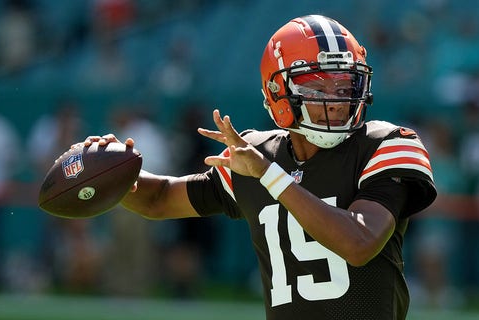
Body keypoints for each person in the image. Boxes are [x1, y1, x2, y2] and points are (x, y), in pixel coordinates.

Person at [77, 15, 436, 319]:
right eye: (319, 88)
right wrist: (107, 169)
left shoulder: (386, 144)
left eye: (345, 85)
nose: (338, 101)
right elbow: (158, 199)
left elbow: (359, 242)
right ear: (278, 92)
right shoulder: (258, 155)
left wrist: (269, 175)